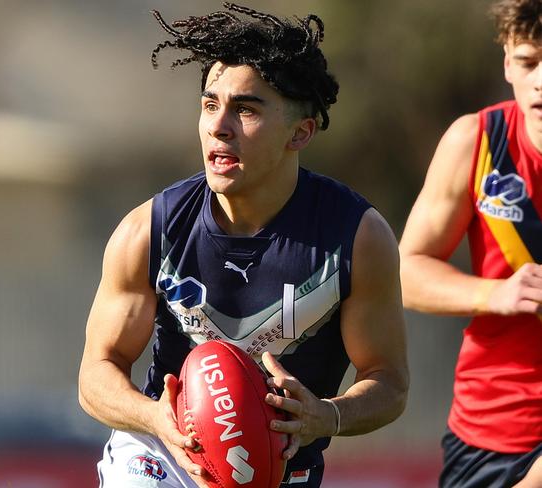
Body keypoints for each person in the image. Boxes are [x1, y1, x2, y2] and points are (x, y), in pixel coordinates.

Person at [79, 3, 409, 487]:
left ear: (301, 132)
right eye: (210, 105)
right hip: (164, 455)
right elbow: (96, 375)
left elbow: (390, 382)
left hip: (280, 470)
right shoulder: (149, 230)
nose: (219, 125)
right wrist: (155, 419)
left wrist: (326, 416)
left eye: (246, 109)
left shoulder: (356, 237)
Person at [399, 1, 542, 486]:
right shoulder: (477, 141)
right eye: (527, 62)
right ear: (507, 61)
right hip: (485, 431)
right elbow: (409, 272)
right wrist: (495, 294)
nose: (540, 80)